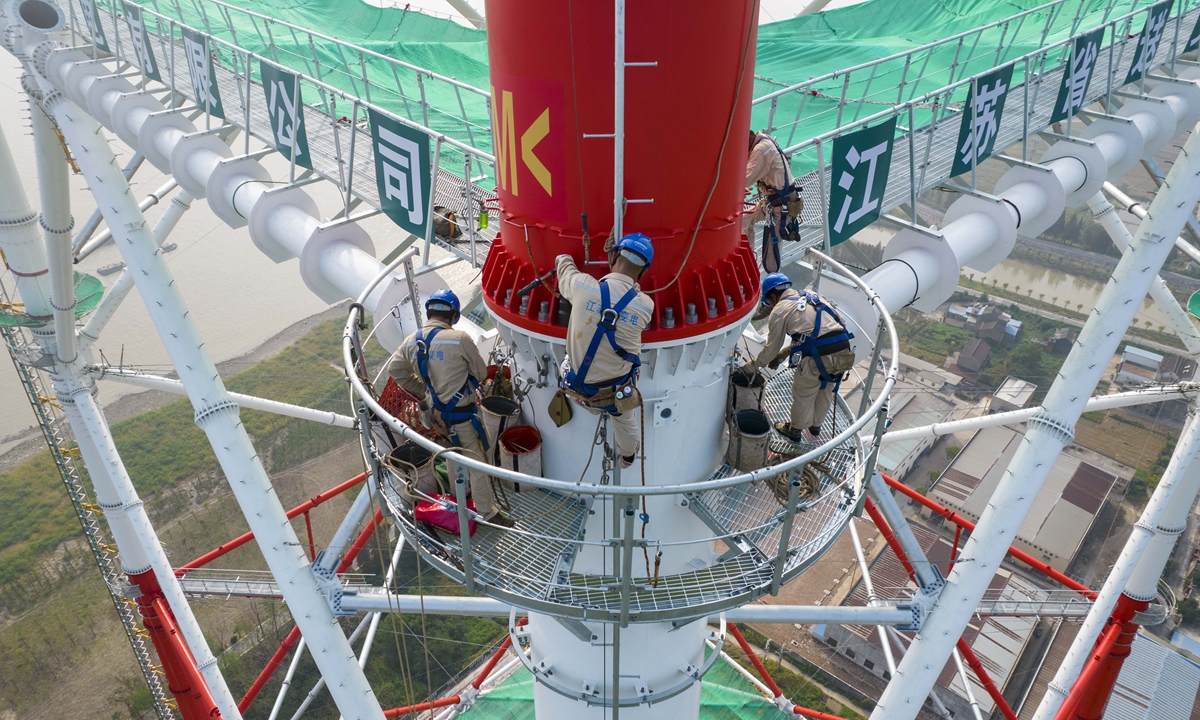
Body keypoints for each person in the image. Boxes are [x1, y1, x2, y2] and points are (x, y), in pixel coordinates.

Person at [387, 289, 513, 527]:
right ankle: (487, 512)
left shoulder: (411, 342)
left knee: (451, 452)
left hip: (433, 416)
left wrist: (422, 389)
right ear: (453, 316)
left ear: (429, 313)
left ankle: (459, 495)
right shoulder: (460, 339)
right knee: (478, 462)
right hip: (461, 416)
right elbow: (479, 372)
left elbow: (396, 370)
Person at [557, 233, 655, 468]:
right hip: (615, 390)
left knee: (569, 358)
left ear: (614, 255)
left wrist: (566, 258)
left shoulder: (582, 285)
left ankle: (584, 403)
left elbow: (563, 265)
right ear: (644, 270)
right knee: (627, 424)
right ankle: (628, 457)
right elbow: (633, 301)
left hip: (576, 382)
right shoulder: (645, 306)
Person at [741, 273, 855, 443]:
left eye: (768, 302)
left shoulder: (780, 310)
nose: (770, 305)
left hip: (818, 356)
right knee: (825, 390)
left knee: (804, 393)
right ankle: (815, 427)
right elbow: (821, 332)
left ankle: (795, 430)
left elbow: (771, 348)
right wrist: (785, 353)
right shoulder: (814, 297)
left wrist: (753, 365)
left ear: (773, 295)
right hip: (843, 350)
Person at [745, 130, 802, 272]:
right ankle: (748, 261)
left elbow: (745, 178)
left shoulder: (760, 150)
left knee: (771, 253)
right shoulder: (763, 139)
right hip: (773, 201)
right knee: (744, 219)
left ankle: (773, 284)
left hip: (781, 205)